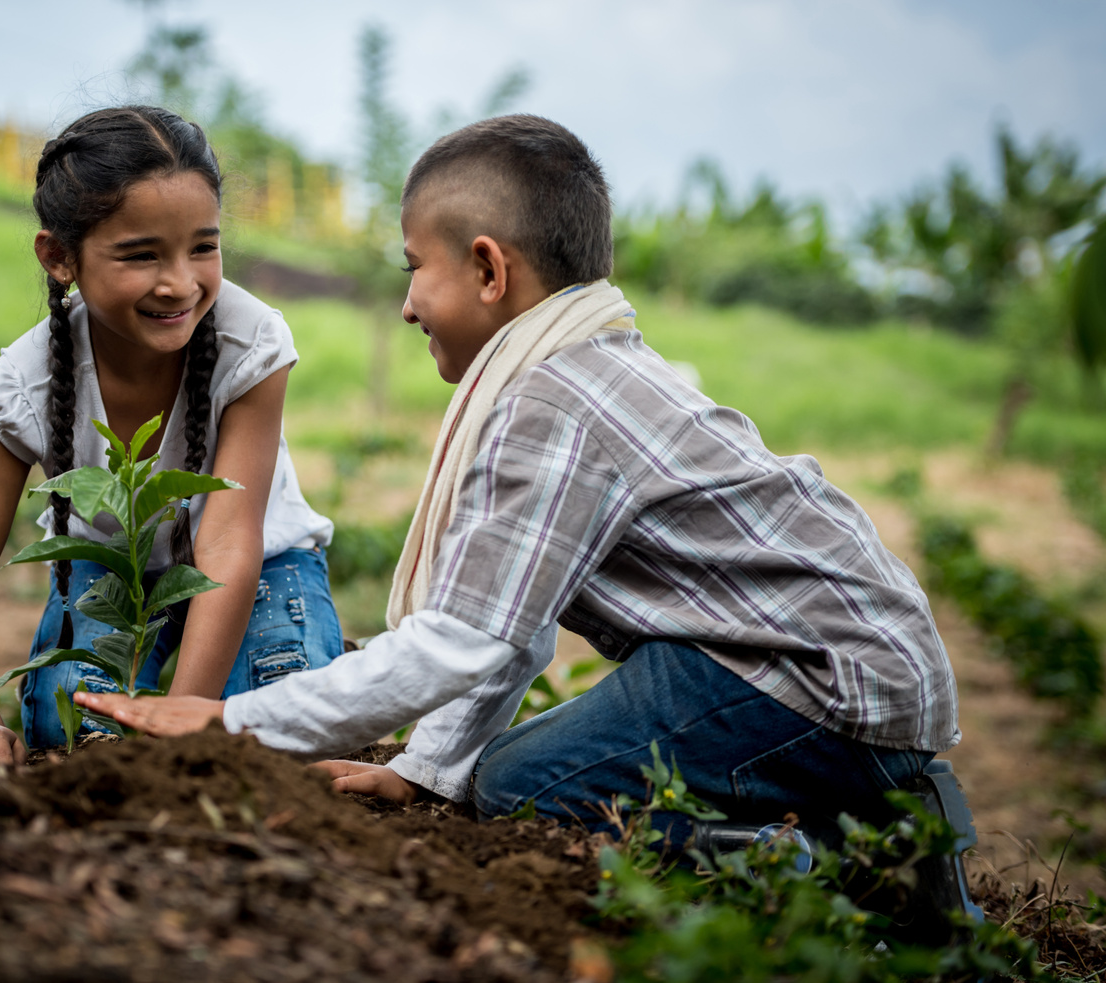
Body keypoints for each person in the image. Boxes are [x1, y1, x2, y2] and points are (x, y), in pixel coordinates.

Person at [76, 115, 959, 842]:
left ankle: (818, 853)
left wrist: (234, 723)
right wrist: (425, 770)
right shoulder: (580, 365)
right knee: (492, 775)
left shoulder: (555, 401)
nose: (408, 303)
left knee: (522, 788)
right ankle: (860, 809)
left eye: (416, 268)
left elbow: (465, 640)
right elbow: (512, 627)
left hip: (817, 686)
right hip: (819, 667)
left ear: (491, 270)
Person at [0, 106, 342, 764]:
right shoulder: (21, 388)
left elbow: (229, 545)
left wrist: (181, 722)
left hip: (261, 564)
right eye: (142, 255)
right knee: (75, 732)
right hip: (111, 569)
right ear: (59, 257)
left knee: (280, 728)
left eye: (203, 246)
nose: (180, 282)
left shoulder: (250, 341)